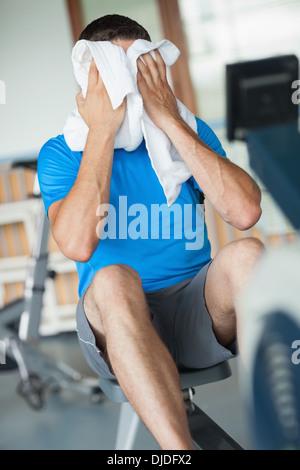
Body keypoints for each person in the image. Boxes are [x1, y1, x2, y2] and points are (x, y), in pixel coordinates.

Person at [37, 14, 264, 450]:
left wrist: (169, 119)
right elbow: (79, 245)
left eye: (138, 72)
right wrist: (102, 130)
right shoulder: (62, 153)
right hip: (118, 321)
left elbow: (245, 212)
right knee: (113, 278)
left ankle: (283, 420)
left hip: (199, 315)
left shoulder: (189, 134)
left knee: (248, 255)